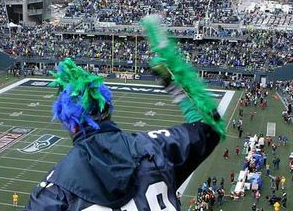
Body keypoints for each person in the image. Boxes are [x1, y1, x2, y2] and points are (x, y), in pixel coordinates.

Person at [25, 17, 225, 210]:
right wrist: (173, 79)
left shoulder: (54, 192)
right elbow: (211, 126)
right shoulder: (156, 148)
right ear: (107, 109)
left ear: (71, 124)